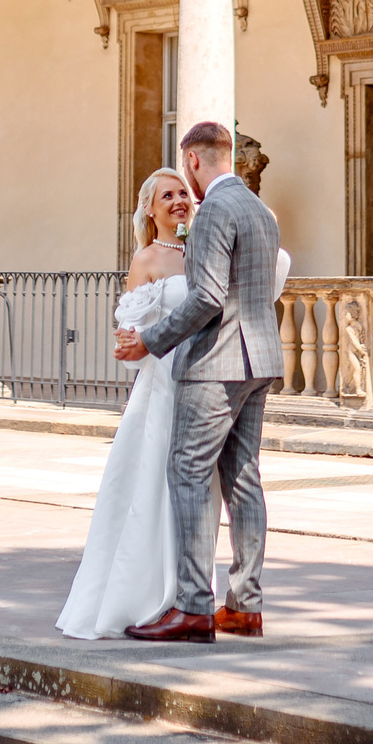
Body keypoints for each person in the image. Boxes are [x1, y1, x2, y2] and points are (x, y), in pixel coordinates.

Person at [113, 120, 286, 644]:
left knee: (188, 474)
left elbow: (207, 296)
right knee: (244, 480)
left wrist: (150, 341)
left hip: (215, 363)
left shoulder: (213, 210)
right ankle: (246, 606)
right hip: (260, 360)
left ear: (192, 159)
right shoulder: (261, 210)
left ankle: (192, 608)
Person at [53, 167, 195, 639]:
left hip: (202, 383)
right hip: (163, 388)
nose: (178, 201)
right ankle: (144, 595)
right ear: (150, 209)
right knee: (150, 485)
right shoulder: (147, 259)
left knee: (191, 491)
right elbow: (129, 337)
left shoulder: (204, 251)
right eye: (167, 195)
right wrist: (132, 342)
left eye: (183, 193)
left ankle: (187, 594)